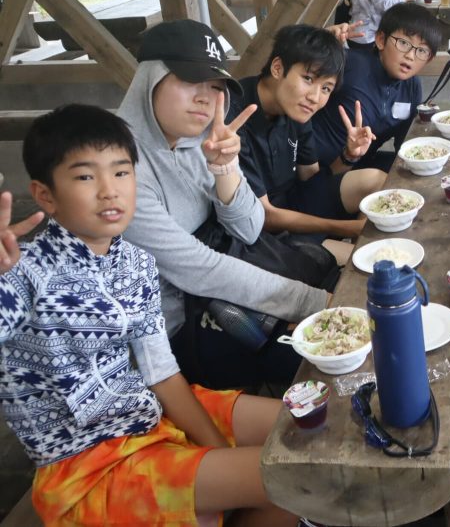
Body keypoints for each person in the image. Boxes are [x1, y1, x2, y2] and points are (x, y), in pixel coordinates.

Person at [0, 105, 295, 526]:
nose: (110, 191)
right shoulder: (21, 271)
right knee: (295, 476)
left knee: (306, 431)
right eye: (85, 177)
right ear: (45, 195)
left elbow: (161, 371)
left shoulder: (135, 262)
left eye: (122, 172)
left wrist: (215, 453)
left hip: (148, 412)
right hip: (86, 464)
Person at [118, 19, 329, 390]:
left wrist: (225, 168)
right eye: (190, 81)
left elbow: (249, 228)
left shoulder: (202, 140)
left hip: (228, 288)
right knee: (320, 351)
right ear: (150, 79)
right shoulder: (117, 167)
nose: (206, 98)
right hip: (178, 330)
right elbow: (200, 269)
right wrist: (314, 302)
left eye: (215, 87)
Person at [228, 24, 386, 263]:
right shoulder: (235, 114)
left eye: (326, 88)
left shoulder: (297, 109)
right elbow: (264, 216)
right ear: (278, 68)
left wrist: (348, 156)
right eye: (308, 79)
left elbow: (312, 180)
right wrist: (349, 229)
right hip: (261, 231)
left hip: (294, 205)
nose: (315, 97)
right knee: (373, 258)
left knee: (376, 180)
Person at [313, 2, 442, 175]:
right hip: (318, 170)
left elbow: (404, 146)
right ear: (381, 40)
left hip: (362, 167)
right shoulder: (350, 63)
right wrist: (321, 43)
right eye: (404, 43)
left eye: (422, 51)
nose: (410, 56)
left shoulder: (412, 87)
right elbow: (295, 68)